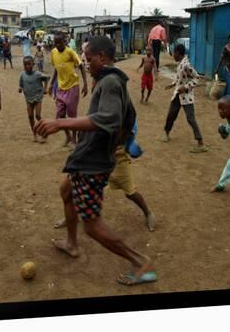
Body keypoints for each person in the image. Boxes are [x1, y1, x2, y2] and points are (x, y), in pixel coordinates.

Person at [35, 36, 157, 286]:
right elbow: (126, 119)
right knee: (66, 189)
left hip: (93, 163)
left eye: (88, 59)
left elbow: (109, 119)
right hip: (88, 157)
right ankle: (71, 243)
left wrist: (60, 123)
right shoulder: (114, 81)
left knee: (92, 226)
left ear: (102, 57)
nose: (85, 63)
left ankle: (140, 261)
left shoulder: (110, 83)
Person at [162, 43, 208, 153]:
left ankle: (201, 143)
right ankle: (166, 133)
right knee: (171, 115)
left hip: (187, 97)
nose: (173, 54)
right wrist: (173, 84)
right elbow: (180, 79)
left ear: (178, 53)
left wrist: (186, 87)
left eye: (174, 52)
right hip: (178, 95)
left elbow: (197, 78)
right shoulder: (180, 64)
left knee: (190, 119)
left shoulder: (186, 65)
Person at [48, 31, 89, 149]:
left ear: (65, 42)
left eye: (60, 43)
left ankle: (74, 140)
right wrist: (51, 84)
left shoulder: (70, 52)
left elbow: (81, 66)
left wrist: (85, 84)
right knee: (60, 115)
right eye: (56, 43)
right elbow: (56, 69)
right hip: (61, 88)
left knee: (72, 117)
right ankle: (68, 136)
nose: (58, 45)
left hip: (72, 87)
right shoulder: (53, 53)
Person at [19, 56, 50, 143]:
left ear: (33, 64)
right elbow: (21, 84)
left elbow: (47, 78)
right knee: (30, 116)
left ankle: (44, 132)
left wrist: (45, 89)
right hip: (28, 98)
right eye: (25, 64)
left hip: (38, 97)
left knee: (37, 115)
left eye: (29, 64)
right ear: (23, 65)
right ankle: (35, 133)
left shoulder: (37, 74)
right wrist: (20, 88)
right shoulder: (22, 75)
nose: (27, 66)